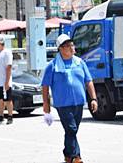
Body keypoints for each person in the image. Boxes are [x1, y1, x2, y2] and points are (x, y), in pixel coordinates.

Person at [42, 34, 97, 163]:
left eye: (72, 44)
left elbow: (88, 81)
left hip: (78, 103)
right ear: (60, 48)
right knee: (71, 128)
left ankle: (67, 155)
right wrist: (46, 103)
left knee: (71, 130)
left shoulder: (80, 62)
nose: (71, 47)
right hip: (63, 104)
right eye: (67, 46)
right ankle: (76, 157)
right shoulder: (53, 66)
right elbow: (45, 85)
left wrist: (93, 98)